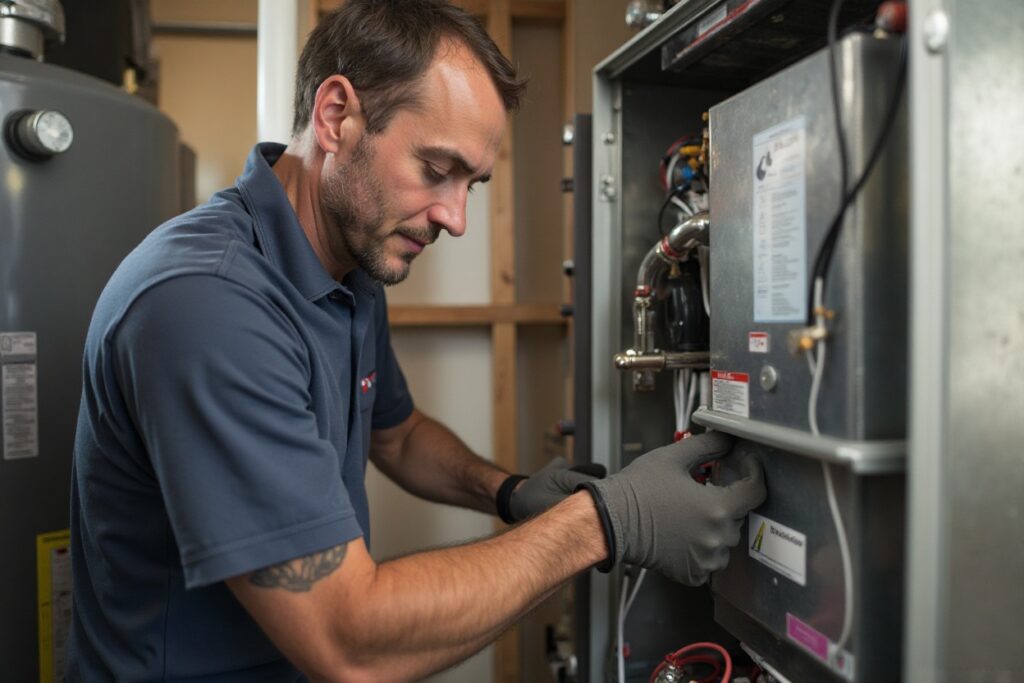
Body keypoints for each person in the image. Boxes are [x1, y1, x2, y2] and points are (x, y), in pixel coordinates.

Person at [67, 1, 766, 681]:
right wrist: (609, 520)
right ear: (336, 116)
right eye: (437, 169)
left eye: (475, 182)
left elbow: (395, 434)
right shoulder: (207, 302)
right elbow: (348, 641)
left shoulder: (348, 259)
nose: (456, 218)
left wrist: (510, 492)